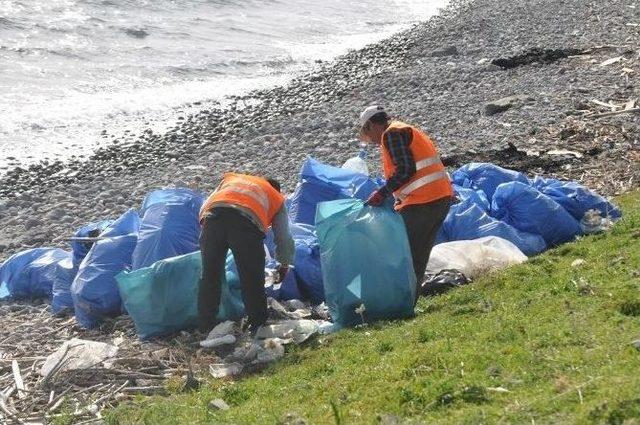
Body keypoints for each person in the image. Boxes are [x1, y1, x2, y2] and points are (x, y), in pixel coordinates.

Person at [358, 105, 453, 288]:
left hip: (423, 202)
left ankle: (398, 302)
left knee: (403, 254)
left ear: (371, 125)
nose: (371, 140)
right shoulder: (404, 129)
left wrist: (382, 193)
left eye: (367, 133)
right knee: (417, 257)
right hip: (440, 198)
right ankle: (407, 302)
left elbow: (406, 169)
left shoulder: (391, 134)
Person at [198, 172, 294, 334]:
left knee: (210, 276)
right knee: (251, 277)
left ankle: (206, 326)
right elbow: (283, 237)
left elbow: (204, 208)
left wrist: (210, 234)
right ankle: (258, 324)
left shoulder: (233, 180)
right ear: (277, 190)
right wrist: (284, 264)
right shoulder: (276, 197)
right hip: (245, 226)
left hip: (212, 220)